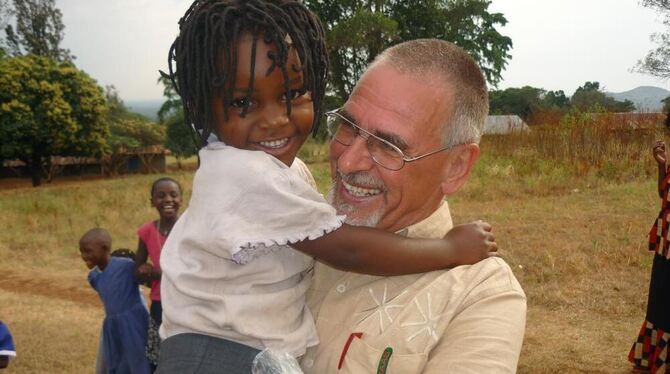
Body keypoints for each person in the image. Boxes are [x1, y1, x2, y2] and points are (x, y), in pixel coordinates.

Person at [157, 1, 497, 372]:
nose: (275, 120)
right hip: (219, 355)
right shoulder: (245, 174)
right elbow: (348, 249)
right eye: (243, 102)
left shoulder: (482, 297)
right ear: (203, 105)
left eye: (290, 95)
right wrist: (448, 248)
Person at [300, 39, 527, 373]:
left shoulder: (477, 295)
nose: (347, 161)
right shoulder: (291, 221)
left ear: (457, 167)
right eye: (348, 126)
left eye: (389, 146)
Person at [79, 228, 151, 374]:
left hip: (134, 323)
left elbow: (146, 279)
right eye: (82, 251)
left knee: (138, 362)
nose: (84, 256)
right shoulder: (93, 277)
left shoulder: (126, 266)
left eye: (88, 251)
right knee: (116, 363)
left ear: (105, 248)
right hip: (112, 326)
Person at [629, 140, 670, 373]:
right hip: (666, 241)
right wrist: (662, 167)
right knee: (659, 301)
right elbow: (664, 194)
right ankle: (652, 357)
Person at [135, 177, 182, 370]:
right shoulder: (146, 231)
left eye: (173, 194)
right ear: (152, 201)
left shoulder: (189, 227)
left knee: (183, 349)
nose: (168, 200)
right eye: (160, 196)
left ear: (181, 199)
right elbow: (138, 270)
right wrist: (144, 271)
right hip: (159, 302)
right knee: (159, 353)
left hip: (186, 300)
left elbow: (190, 267)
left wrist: (155, 273)